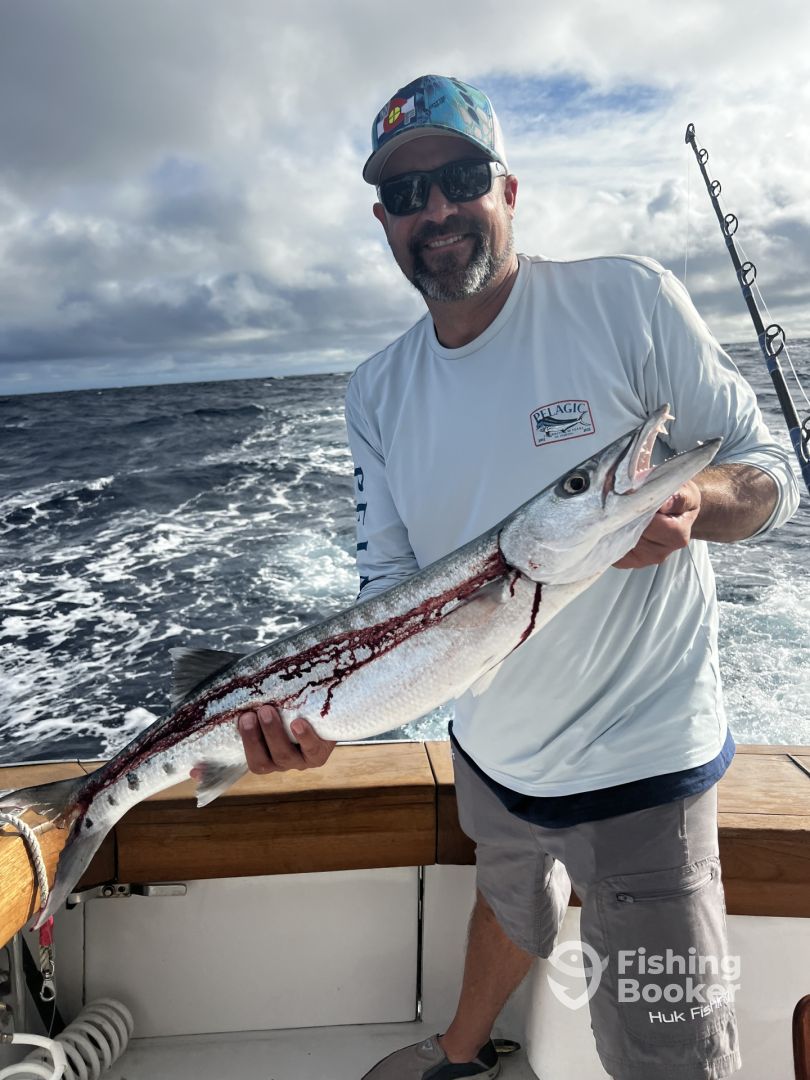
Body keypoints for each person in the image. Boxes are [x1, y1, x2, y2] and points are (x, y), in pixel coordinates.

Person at [239, 75, 800, 1080]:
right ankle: (463, 1054)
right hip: (490, 754)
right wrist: (321, 718)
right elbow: (388, 586)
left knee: (671, 1056)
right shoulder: (376, 390)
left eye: (460, 179)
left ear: (508, 189)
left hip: (643, 770)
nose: (436, 210)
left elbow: (769, 476)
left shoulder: (627, 300)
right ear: (383, 220)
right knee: (509, 904)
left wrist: (696, 503)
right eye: (406, 194)